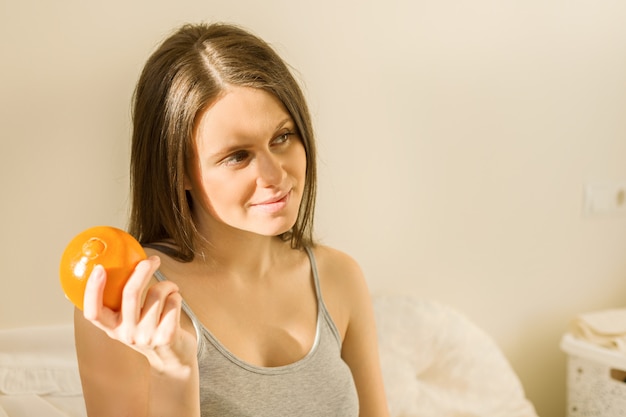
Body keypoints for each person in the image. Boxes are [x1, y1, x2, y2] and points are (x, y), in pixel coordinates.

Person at [74, 22, 390, 417]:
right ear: (178, 172)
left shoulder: (339, 277)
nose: (276, 176)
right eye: (238, 156)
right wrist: (175, 372)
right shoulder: (133, 304)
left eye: (282, 137)